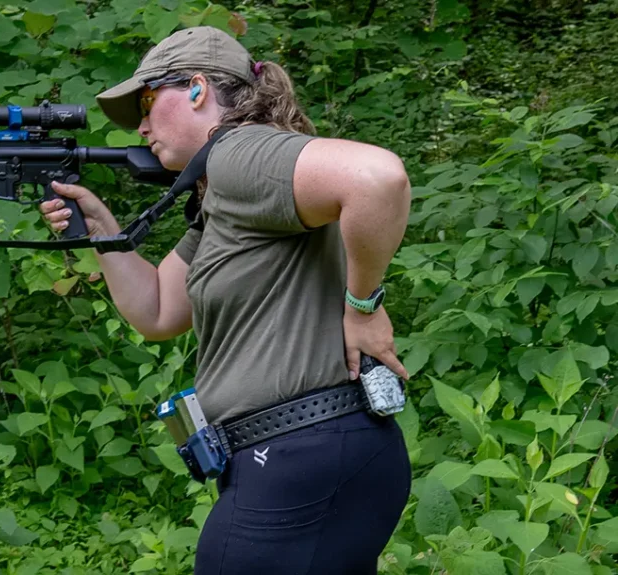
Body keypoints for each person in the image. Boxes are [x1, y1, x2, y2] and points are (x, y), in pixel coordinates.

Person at [40, 26, 412, 574]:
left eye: (146, 101)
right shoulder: (224, 196)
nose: (141, 126)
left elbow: (379, 178)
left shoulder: (238, 153)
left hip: (297, 454)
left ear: (197, 90)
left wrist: (364, 306)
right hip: (306, 457)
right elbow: (160, 310)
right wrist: (101, 227)